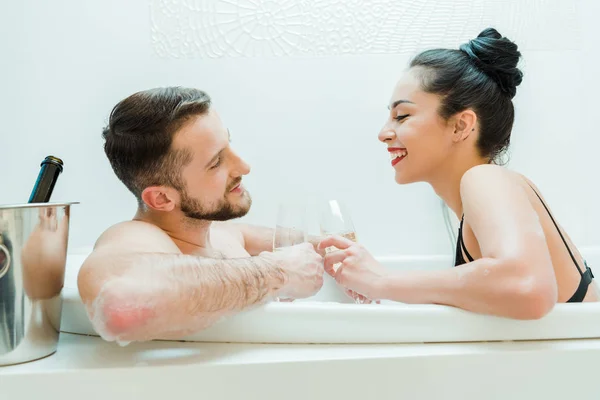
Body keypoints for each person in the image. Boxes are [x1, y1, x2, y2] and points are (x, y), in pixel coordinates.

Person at [318, 27, 598, 319]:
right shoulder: (489, 192)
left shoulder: (485, 179)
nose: (384, 133)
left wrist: (381, 281)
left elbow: (527, 286)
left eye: (402, 116)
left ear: (461, 126)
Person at [78, 87, 324, 344]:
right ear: (161, 198)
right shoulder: (133, 237)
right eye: (216, 162)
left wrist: (342, 254)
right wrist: (279, 273)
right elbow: (121, 309)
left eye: (229, 144)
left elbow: (307, 246)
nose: (243, 167)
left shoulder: (222, 234)